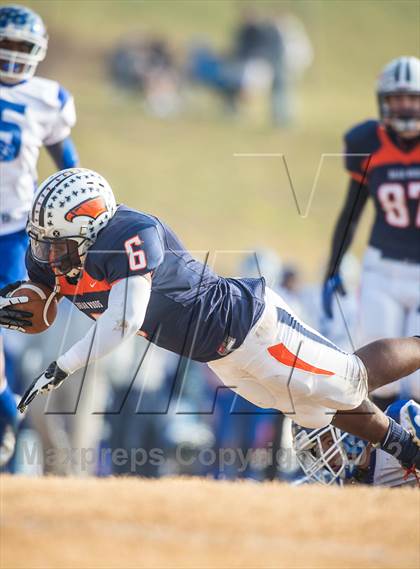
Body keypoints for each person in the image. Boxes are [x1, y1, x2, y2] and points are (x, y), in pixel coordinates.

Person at [0, 168, 419, 473]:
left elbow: (125, 321)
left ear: (92, 230)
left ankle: (403, 441)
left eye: (59, 247)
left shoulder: (129, 234)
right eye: (45, 245)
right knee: (315, 406)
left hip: (249, 325)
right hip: (217, 356)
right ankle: (403, 452)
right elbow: (40, 298)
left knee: (349, 380)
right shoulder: (55, 260)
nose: (48, 258)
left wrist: (62, 366)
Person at [0, 5, 79, 467]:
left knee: (15, 336)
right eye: (6, 44)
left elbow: (69, 166)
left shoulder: (47, 98)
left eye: (20, 47)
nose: (12, 56)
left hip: (15, 233)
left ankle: (10, 434)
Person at [322, 56, 420, 407]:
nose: (405, 106)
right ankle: (380, 456)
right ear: (384, 101)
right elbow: (351, 213)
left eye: (413, 98)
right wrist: (332, 269)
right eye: (397, 98)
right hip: (383, 268)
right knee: (376, 370)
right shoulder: (370, 143)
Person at [292, 399, 420, 487]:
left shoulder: (402, 418)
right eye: (315, 451)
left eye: (330, 442)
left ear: (350, 429)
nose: (324, 457)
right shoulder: (337, 480)